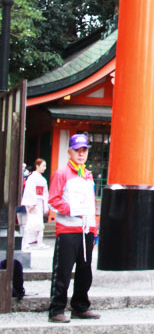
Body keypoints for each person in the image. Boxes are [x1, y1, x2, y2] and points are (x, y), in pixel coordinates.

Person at [48, 133, 100, 323]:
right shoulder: (62, 173)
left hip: (86, 229)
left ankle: (80, 306)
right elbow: (53, 200)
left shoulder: (87, 174)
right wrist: (71, 209)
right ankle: (56, 308)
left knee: (85, 270)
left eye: (84, 150)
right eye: (77, 150)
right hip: (68, 229)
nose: (80, 154)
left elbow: (92, 203)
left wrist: (94, 229)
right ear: (69, 151)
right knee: (62, 270)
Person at [21, 158, 49, 250]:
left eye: (45, 166)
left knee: (40, 223)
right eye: (43, 165)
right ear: (37, 166)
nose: (44, 168)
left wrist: (45, 205)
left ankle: (39, 242)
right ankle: (25, 242)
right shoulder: (32, 178)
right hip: (34, 202)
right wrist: (32, 203)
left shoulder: (42, 179)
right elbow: (30, 190)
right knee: (29, 223)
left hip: (40, 201)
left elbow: (45, 193)